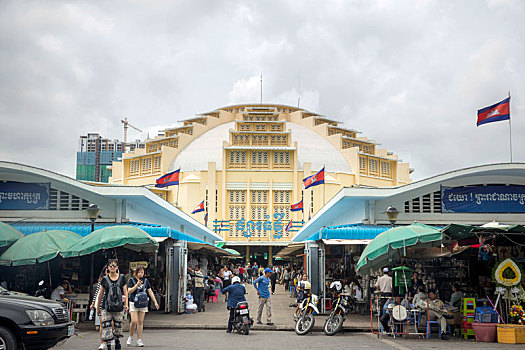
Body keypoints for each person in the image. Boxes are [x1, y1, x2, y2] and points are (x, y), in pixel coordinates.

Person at [96, 259, 128, 350]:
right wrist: (98, 307)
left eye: (114, 266)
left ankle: (117, 341)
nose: (112, 267)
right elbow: (100, 294)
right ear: (107, 268)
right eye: (110, 266)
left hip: (119, 306)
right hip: (106, 306)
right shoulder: (104, 279)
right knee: (106, 326)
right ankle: (109, 346)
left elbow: (125, 292)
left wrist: (126, 304)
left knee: (118, 325)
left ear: (117, 267)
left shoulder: (122, 278)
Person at [127, 265, 159, 347]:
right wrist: (136, 285)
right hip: (133, 302)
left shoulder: (146, 281)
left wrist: (155, 302)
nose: (141, 274)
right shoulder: (132, 280)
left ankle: (139, 339)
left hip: (143, 303)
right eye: (139, 272)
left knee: (140, 322)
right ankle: (130, 336)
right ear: (136, 273)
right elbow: (129, 291)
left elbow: (150, 291)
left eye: (142, 272)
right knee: (134, 321)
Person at [90, 266, 107, 350]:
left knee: (111, 324)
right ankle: (103, 342)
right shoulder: (101, 282)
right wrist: (93, 303)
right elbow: (96, 293)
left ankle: (111, 338)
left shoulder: (116, 280)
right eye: (106, 271)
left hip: (111, 305)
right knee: (102, 324)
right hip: (100, 304)